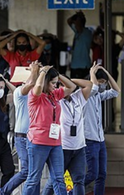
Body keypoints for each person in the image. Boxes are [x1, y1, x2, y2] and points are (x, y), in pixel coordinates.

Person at [22, 66, 76, 195]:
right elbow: (39, 87)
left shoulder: (54, 95)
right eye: (52, 83)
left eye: (56, 83)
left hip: (55, 142)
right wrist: (43, 72)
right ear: (45, 81)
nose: (55, 86)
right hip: (38, 142)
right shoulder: (35, 96)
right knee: (34, 179)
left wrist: (57, 75)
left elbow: (71, 87)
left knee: (58, 178)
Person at [0, 61, 40, 195]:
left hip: (34, 136)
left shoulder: (35, 94)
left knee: (34, 171)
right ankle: (4, 192)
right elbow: (31, 84)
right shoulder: (20, 92)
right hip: (22, 136)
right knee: (27, 170)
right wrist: (35, 71)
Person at [42, 78, 93, 195]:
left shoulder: (77, 97)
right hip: (62, 147)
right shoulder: (55, 100)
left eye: (67, 85)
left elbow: (89, 85)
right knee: (55, 180)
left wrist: (66, 78)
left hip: (79, 147)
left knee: (79, 181)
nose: (65, 88)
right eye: (61, 86)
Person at [83, 62, 121, 195]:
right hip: (89, 140)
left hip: (100, 140)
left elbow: (116, 91)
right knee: (92, 174)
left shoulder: (98, 96)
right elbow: (92, 87)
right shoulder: (84, 95)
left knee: (102, 174)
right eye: (101, 82)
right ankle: (71, 191)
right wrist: (92, 73)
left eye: (104, 82)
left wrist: (106, 72)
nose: (102, 85)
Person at [67, 11, 92, 78]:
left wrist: (80, 17)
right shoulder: (77, 33)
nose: (75, 25)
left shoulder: (87, 33)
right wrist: (76, 15)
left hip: (84, 66)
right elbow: (69, 21)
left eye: (76, 23)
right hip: (74, 66)